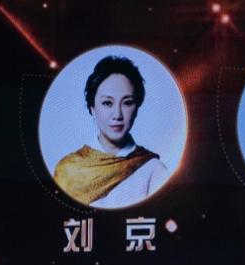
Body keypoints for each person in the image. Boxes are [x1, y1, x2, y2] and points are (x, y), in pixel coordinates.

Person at [52, 55, 170, 207]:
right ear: (92, 108)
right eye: (107, 103)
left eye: (127, 103)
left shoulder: (154, 170)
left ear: (137, 108)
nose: (117, 115)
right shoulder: (67, 170)